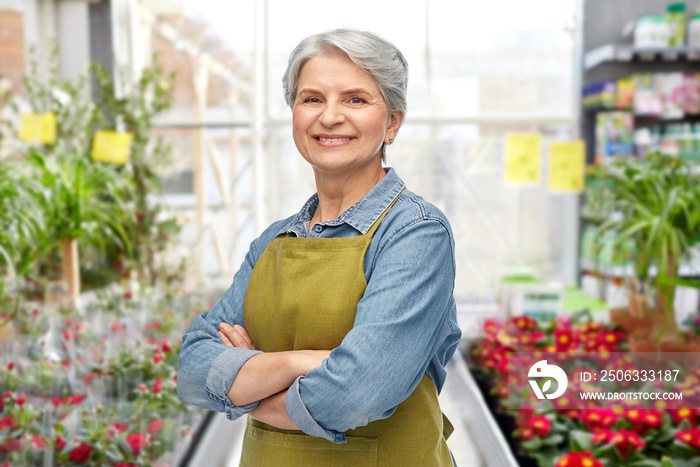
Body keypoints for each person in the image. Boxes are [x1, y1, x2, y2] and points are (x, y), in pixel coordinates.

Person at [177, 28, 461, 466]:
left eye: (355, 99)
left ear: (392, 123)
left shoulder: (414, 233)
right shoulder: (273, 241)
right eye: (312, 99)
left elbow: (357, 393)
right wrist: (299, 363)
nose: (329, 117)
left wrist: (247, 384)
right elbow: (194, 368)